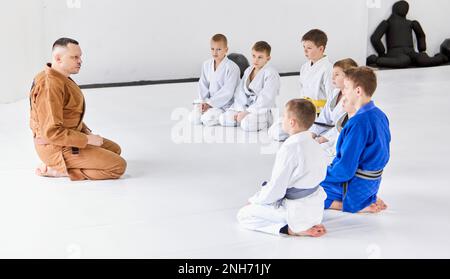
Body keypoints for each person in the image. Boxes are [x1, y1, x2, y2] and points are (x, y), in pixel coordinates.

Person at [29, 38, 127, 181]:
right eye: (74, 57)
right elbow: (52, 133)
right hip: (56, 147)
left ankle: (66, 165)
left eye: (80, 56)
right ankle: (59, 169)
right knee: (118, 166)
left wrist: (85, 130)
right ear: (58, 58)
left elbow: (69, 113)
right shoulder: (50, 86)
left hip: (70, 136)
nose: (80, 61)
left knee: (115, 150)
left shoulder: (61, 77)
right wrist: (87, 140)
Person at [237, 99, 328, 237]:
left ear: (292, 122)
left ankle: (290, 230)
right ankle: (300, 225)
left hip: (295, 214)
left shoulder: (290, 148)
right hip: (316, 211)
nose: (281, 119)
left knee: (243, 214)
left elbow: (277, 189)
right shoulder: (316, 145)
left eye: (284, 116)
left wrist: (255, 200)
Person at [321, 67, 390, 213]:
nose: (343, 91)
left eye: (346, 88)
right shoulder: (380, 115)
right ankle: (367, 198)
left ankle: (355, 205)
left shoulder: (358, 123)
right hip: (371, 184)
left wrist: (321, 175)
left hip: (354, 185)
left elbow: (345, 169)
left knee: (305, 188)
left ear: (358, 91)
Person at [268, 29, 333, 141]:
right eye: (304, 47)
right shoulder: (305, 67)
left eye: (309, 48)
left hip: (319, 115)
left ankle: (319, 132)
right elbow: (302, 92)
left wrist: (325, 120)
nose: (305, 51)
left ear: (321, 48)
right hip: (304, 111)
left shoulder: (328, 69)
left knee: (281, 134)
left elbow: (332, 98)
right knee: (275, 130)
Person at [219, 41, 280, 132]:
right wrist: (241, 110)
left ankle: (264, 121)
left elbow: (267, 98)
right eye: (254, 56)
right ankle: (242, 118)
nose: (255, 60)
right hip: (246, 106)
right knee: (223, 118)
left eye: (260, 57)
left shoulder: (271, 73)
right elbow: (240, 91)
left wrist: (248, 112)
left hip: (261, 110)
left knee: (246, 124)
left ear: (268, 58)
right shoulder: (248, 70)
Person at [189, 34, 240, 126]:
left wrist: (211, 103)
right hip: (207, 102)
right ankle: (205, 109)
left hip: (224, 105)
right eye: (212, 49)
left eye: (219, 49)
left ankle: (221, 115)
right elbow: (203, 84)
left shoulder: (232, 68)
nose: (215, 52)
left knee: (206, 119)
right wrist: (203, 102)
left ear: (226, 50)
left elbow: (228, 91)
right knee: (193, 119)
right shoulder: (206, 64)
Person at [311, 58, 358, 158]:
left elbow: (344, 126)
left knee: (316, 152)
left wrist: (324, 138)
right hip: (329, 130)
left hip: (339, 135)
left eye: (337, 74)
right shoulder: (335, 93)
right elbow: (324, 118)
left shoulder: (352, 98)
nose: (332, 77)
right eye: (333, 74)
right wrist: (313, 133)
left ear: (348, 77)